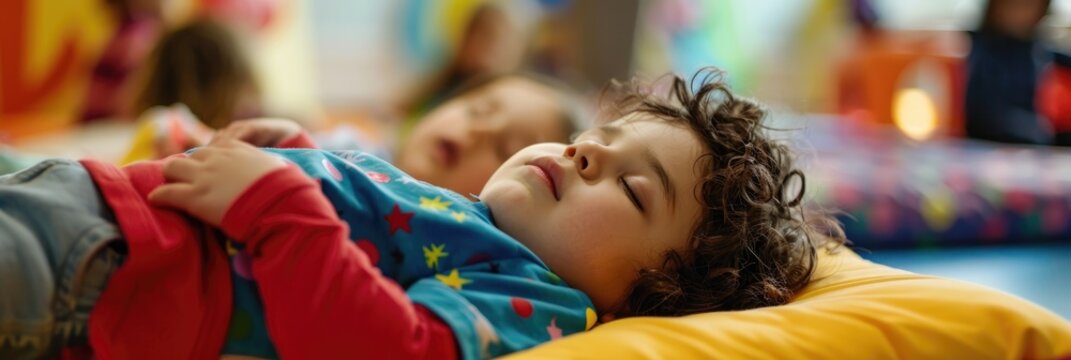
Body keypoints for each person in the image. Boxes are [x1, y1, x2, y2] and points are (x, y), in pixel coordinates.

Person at [0, 69, 844, 359]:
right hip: (98, 199)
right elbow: (371, 223)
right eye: (598, 139)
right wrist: (299, 152)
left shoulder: (536, 299)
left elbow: (376, 343)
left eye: (631, 189)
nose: (587, 155)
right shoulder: (471, 216)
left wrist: (282, 202)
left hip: (108, 262)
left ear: (656, 289)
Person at [215, 73, 585, 197]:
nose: (478, 130)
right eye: (478, 109)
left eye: (505, 149)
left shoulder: (455, 243)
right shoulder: (351, 146)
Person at [964, 0, 1064, 144]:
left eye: (1029, 6)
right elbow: (980, 112)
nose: (1021, 13)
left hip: (1035, 132)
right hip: (992, 136)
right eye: (1013, 5)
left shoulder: (1037, 49)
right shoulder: (977, 48)